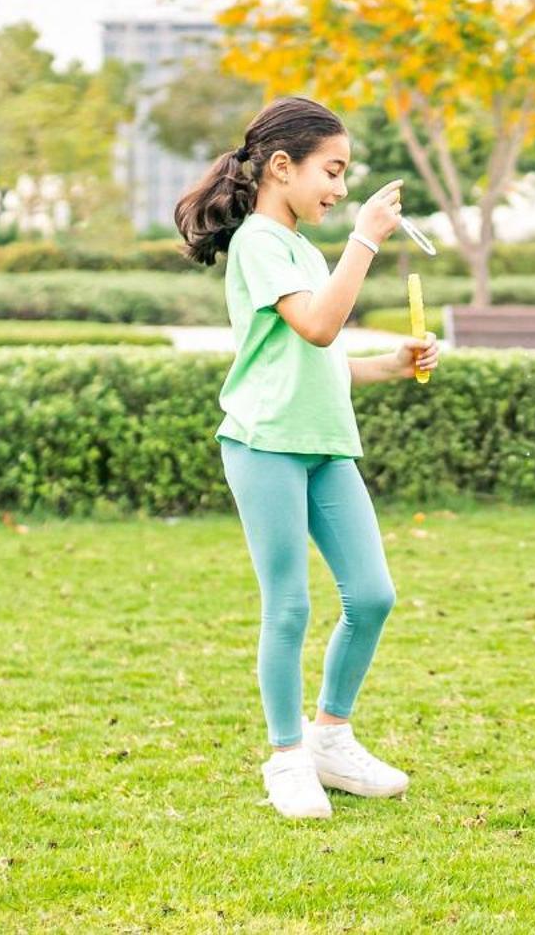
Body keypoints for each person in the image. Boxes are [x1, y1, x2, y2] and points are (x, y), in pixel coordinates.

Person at [174, 95, 440, 820]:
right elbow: (321, 327)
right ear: (282, 167)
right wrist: (367, 240)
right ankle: (287, 758)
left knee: (373, 596)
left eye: (345, 174)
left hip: (324, 445)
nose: (341, 187)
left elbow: (318, 358)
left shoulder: (300, 248)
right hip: (265, 445)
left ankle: (331, 736)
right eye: (333, 169)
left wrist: (392, 362)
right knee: (288, 605)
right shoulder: (261, 241)